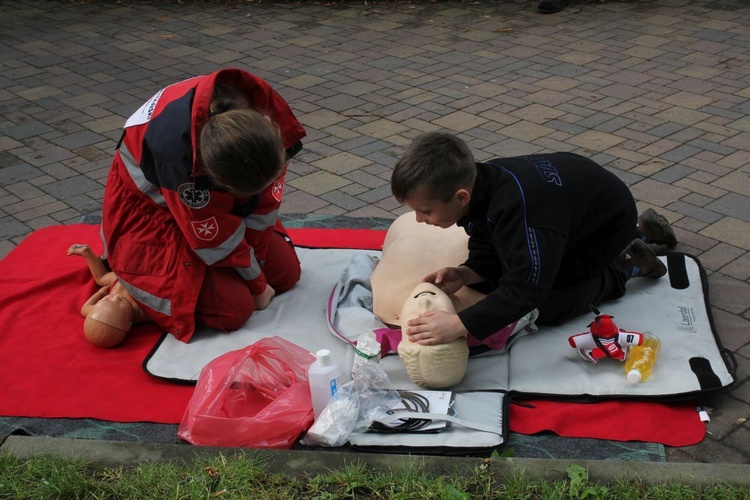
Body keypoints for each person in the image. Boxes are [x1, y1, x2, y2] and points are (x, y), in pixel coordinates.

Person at [390, 131, 676, 350]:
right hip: (577, 214)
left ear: (460, 197)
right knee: (501, 276)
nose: (418, 219)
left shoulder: (522, 213)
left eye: (425, 211)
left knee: (547, 306)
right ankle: (641, 232)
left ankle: (627, 264)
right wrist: (467, 273)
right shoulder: (481, 184)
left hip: (603, 228)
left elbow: (527, 289)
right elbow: (485, 236)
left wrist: (460, 324)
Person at [99, 68, 306, 343]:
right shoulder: (177, 159)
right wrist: (257, 286)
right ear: (216, 178)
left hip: (207, 194)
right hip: (152, 213)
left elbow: (265, 202)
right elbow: (211, 234)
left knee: (285, 275)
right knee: (234, 310)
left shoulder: (265, 126)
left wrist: (256, 265)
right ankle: (127, 287)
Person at [68, 244, 150, 347]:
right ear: (128, 325)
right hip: (143, 273)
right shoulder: (140, 313)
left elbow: (84, 309)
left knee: (100, 279)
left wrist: (100, 293)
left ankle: (87, 253)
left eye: (106, 299)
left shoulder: (103, 311)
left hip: (118, 278)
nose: (116, 297)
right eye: (120, 303)